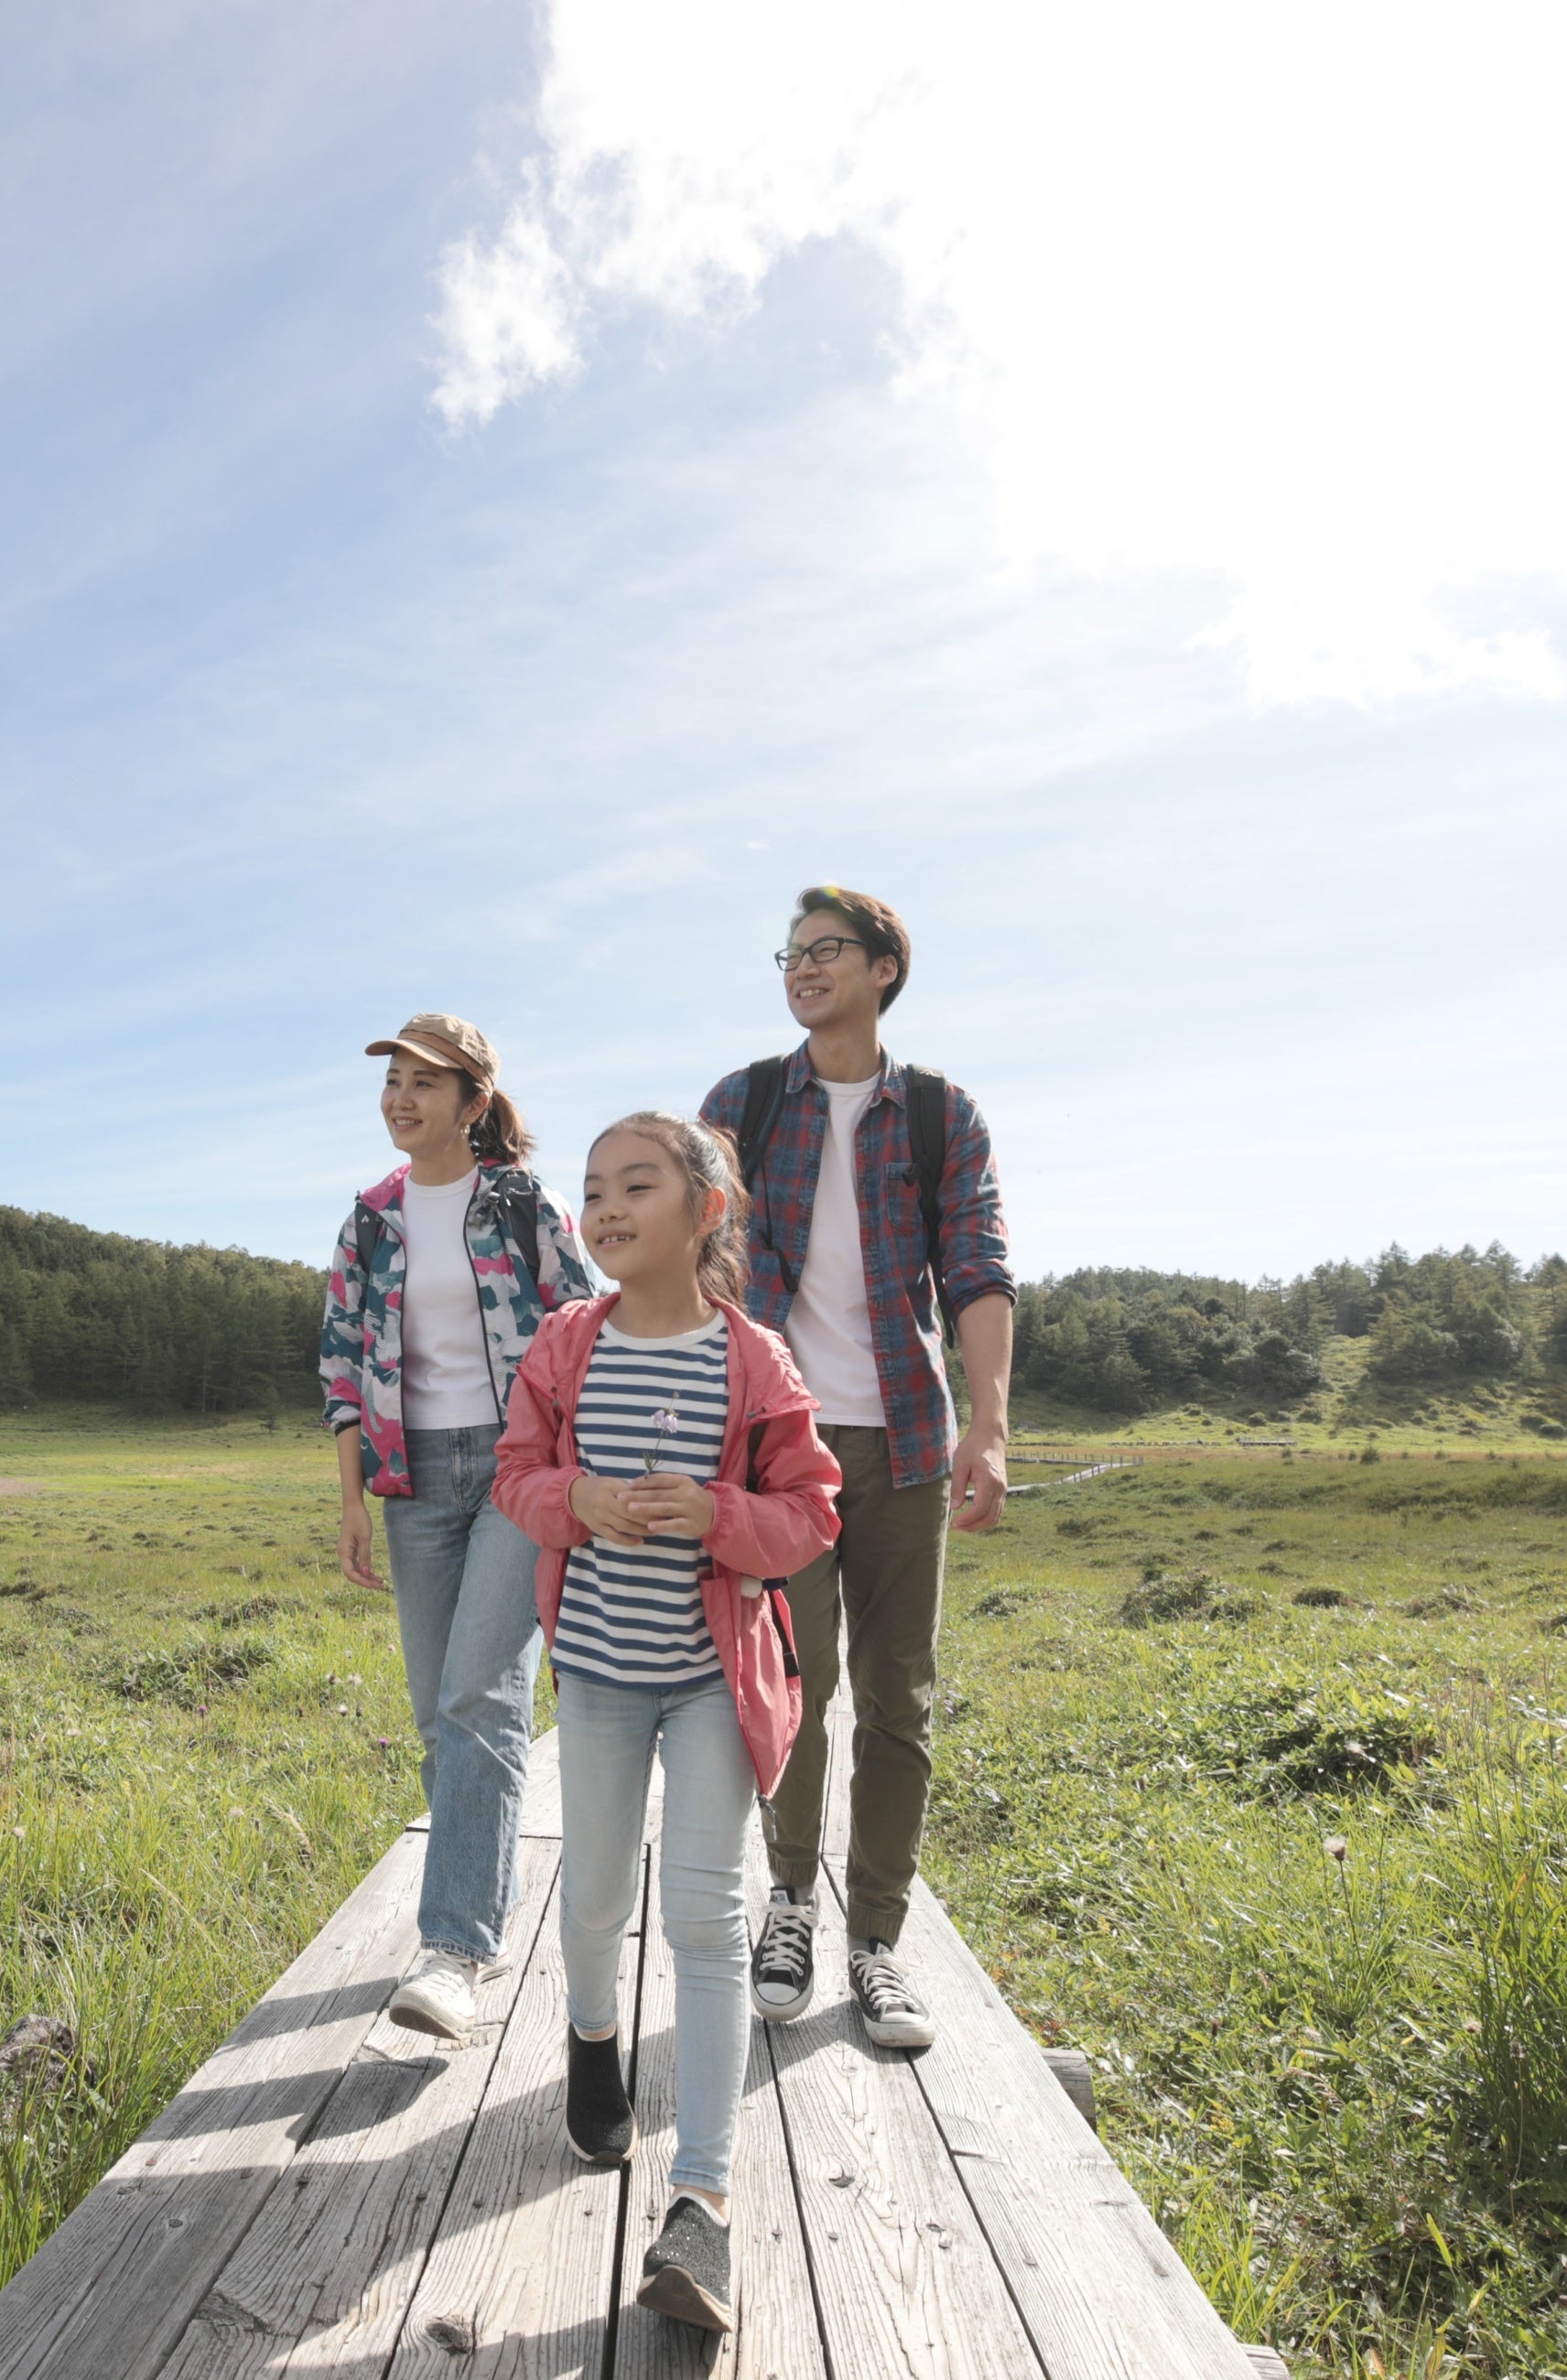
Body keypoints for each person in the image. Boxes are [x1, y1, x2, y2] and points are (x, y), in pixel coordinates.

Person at [491, 1112, 839, 2334]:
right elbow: (515, 1476)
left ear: (708, 1211)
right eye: (594, 1188)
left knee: (703, 1915)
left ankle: (703, 2202)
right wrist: (575, 1497)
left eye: (637, 1184)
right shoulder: (563, 1343)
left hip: (708, 1683)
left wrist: (720, 1516)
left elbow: (811, 1513)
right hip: (594, 1672)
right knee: (593, 1896)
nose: (606, 1207)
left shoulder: (755, 1359)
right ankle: (595, 2041)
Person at [697, 885, 1014, 2050]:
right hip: (779, 1442)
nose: (801, 966)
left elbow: (977, 1267)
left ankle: (876, 1938)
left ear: (886, 968)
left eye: (825, 949)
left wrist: (990, 1423)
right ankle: (789, 1902)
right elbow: (694, 1255)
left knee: (899, 1698)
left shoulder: (938, 1112)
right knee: (794, 1684)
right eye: (789, 951)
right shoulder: (741, 1103)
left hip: (906, 1439)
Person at [319, 1012, 599, 2041]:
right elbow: (341, 1362)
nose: (400, 1098)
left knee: (483, 1692)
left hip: (519, 1471)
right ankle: (486, 1894)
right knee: (440, 1716)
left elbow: (586, 1329)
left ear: (473, 1102)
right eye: (392, 1079)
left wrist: (583, 1473)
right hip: (413, 1477)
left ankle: (455, 1948)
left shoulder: (524, 1203)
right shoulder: (372, 1218)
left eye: (424, 1082)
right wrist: (351, 1496)